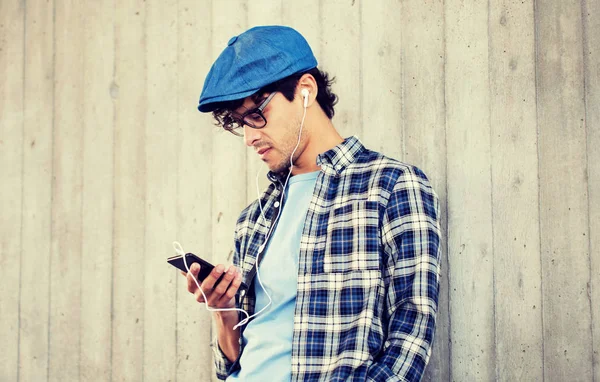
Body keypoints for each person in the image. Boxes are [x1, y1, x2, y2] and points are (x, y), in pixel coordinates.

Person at [183, 25, 442, 381]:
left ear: (305, 90)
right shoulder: (253, 220)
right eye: (240, 123)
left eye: (257, 114)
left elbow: (411, 334)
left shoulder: (390, 186)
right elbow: (231, 365)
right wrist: (223, 313)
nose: (249, 136)